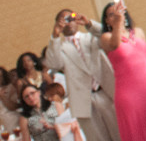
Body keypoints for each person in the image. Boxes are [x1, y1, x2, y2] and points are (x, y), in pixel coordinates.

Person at [44, 8, 119, 141]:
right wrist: (55, 35)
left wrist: (89, 23)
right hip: (83, 100)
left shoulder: (91, 38)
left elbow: (109, 35)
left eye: (72, 17)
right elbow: (54, 63)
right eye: (65, 19)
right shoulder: (59, 48)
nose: (69, 22)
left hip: (105, 91)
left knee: (119, 133)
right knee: (97, 138)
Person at [99, 0, 146, 141]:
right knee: (137, 129)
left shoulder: (138, 32)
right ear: (106, 20)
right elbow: (115, 45)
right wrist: (118, 24)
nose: (116, 15)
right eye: (111, 14)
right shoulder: (105, 37)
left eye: (119, 12)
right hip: (129, 93)